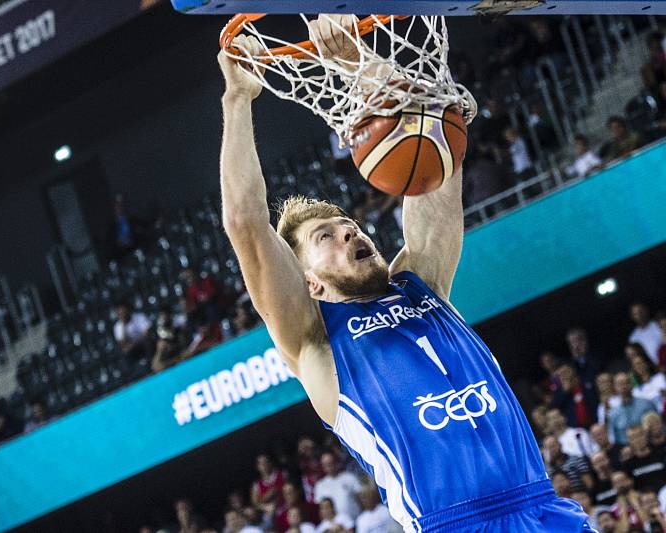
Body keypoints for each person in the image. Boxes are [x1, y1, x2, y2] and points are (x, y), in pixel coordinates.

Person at [218, 18, 593, 532]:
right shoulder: (315, 342)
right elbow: (244, 223)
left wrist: (356, 63)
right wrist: (237, 100)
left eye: (348, 226)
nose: (348, 233)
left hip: (547, 511)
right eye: (325, 237)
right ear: (309, 283)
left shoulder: (423, 281)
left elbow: (433, 143)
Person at [607, 372, 658, 445]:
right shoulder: (613, 414)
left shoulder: (646, 404)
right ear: (615, 388)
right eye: (620, 384)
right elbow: (614, 439)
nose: (623, 387)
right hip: (628, 450)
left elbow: (658, 427)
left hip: (650, 446)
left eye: (626, 383)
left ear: (631, 385)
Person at [312, 453, 362, 523]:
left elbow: (361, 499)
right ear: (323, 467)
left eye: (331, 463)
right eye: (326, 464)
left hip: (355, 521)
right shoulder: (320, 485)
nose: (329, 466)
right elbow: (321, 510)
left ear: (336, 462)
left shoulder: (350, 477)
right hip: (335, 528)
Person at [622, 425, 666, 493]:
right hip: (645, 501)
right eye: (633, 438)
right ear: (629, 441)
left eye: (640, 435)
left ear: (645, 435)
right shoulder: (628, 464)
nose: (638, 439)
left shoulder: (661, 453)